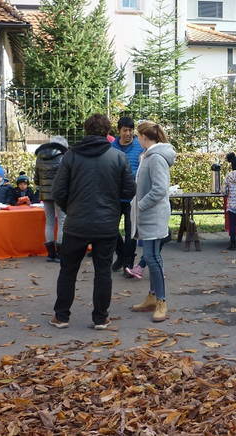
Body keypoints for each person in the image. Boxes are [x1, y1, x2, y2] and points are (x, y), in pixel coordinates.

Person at [49, 114, 135, 330]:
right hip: (106, 224)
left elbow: (58, 191)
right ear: (107, 132)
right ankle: (100, 317)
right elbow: (129, 190)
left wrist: (72, 209)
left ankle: (61, 316)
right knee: (103, 271)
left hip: (76, 223)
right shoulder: (117, 157)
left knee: (68, 270)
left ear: (86, 130)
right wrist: (114, 209)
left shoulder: (70, 157)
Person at [129, 120, 176, 323]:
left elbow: (159, 189)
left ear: (144, 137)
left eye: (138, 136)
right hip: (150, 215)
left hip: (153, 215)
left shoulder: (155, 157)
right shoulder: (149, 156)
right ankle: (152, 297)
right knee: (151, 256)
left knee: (152, 258)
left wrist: (140, 205)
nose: (136, 139)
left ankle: (161, 301)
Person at [110, 117, 144, 276]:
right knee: (110, 228)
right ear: (119, 131)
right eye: (125, 130)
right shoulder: (111, 147)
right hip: (115, 197)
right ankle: (121, 254)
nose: (128, 133)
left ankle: (128, 263)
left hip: (132, 197)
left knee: (131, 232)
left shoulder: (139, 147)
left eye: (131, 130)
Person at [34, 136, 69, 263]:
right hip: (59, 194)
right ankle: (60, 254)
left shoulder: (40, 156)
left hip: (45, 194)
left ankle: (50, 254)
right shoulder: (63, 157)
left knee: (49, 222)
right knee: (61, 221)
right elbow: (66, 178)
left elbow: (36, 179)